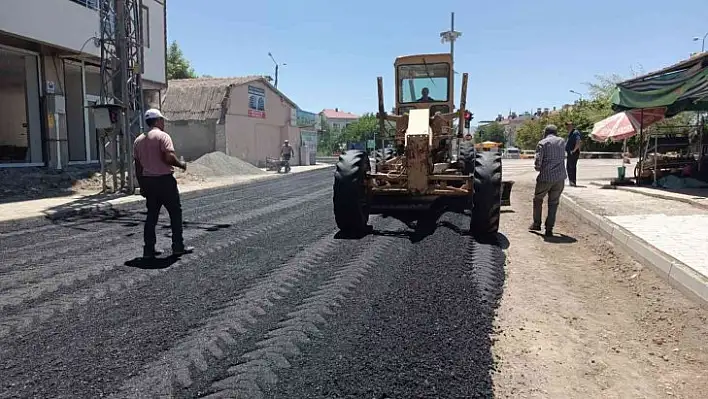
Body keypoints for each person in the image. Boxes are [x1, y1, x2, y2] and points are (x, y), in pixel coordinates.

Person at [133, 108, 193, 259]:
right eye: (162, 120)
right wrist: (181, 165)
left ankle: (149, 250)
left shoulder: (138, 140)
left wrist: (142, 185)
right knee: (175, 214)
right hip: (165, 181)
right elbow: (169, 158)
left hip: (149, 182)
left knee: (151, 216)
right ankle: (178, 247)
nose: (163, 123)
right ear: (158, 121)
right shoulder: (163, 136)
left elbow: (138, 167)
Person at [530, 124, 567, 237]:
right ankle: (549, 229)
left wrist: (538, 167)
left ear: (545, 132)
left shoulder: (542, 143)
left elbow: (538, 162)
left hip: (545, 177)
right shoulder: (562, 141)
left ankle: (537, 223)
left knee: (538, 199)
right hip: (560, 178)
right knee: (553, 203)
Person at [565, 121, 582, 186]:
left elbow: (579, 142)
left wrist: (574, 150)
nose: (567, 127)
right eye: (567, 126)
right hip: (570, 153)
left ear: (572, 126)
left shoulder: (575, 132)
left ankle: (573, 181)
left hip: (573, 153)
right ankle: (571, 181)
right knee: (568, 167)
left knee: (572, 167)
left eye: (569, 125)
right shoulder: (571, 133)